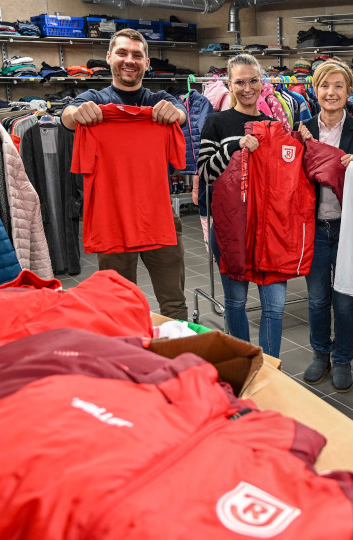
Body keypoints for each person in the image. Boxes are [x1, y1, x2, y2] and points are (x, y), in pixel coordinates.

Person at [61, 28, 189, 320]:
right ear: (109, 58)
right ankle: (127, 361)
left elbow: (180, 113)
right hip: (112, 218)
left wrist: (176, 114)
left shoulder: (161, 102)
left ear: (146, 63)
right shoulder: (93, 99)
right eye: (122, 53)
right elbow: (66, 117)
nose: (129, 60)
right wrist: (75, 115)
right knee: (118, 307)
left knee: (174, 304)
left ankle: (180, 359)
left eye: (137, 55)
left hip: (159, 216)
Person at [197, 54, 287, 358]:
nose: (247, 87)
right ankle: (242, 361)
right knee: (235, 302)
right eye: (239, 82)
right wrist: (234, 147)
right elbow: (206, 173)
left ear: (262, 82)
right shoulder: (217, 122)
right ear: (229, 84)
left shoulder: (275, 125)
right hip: (231, 229)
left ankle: (271, 368)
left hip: (269, 231)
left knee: (274, 307)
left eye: (253, 80)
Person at [297, 60, 353, 393]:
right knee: (316, 299)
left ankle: (343, 359)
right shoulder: (302, 129)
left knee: (345, 301)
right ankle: (320, 354)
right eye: (324, 86)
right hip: (313, 225)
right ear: (315, 91)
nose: (331, 92)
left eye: (338, 86)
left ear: (348, 92)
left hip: (348, 227)